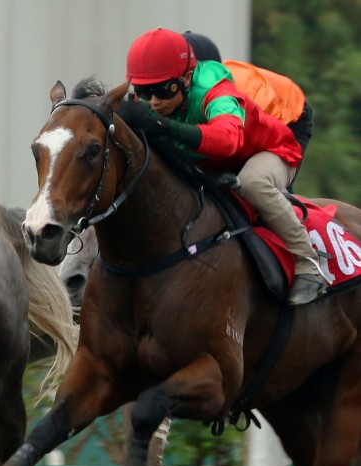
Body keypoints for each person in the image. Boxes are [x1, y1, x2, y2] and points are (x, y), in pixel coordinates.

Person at [120, 27, 327, 306]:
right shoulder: (164, 98)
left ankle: (308, 264)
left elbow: (229, 140)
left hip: (271, 148)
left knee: (252, 183)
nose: (153, 101)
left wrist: (163, 126)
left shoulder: (219, 92)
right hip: (222, 155)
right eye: (144, 92)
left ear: (187, 78)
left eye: (162, 90)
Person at [182, 31, 313, 192]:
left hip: (292, 117)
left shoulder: (232, 95)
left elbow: (235, 143)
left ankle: (291, 212)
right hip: (260, 111)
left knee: (263, 184)